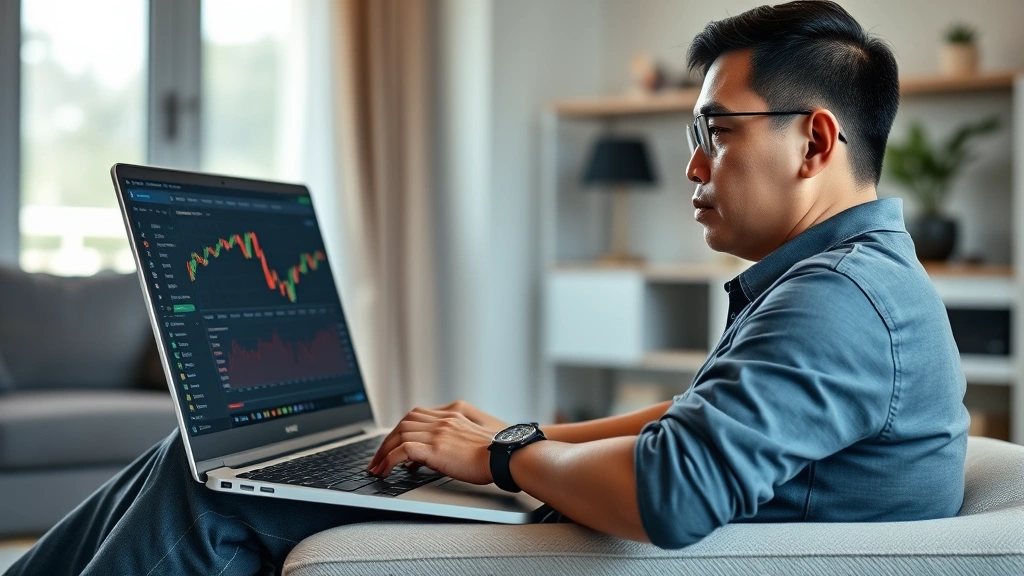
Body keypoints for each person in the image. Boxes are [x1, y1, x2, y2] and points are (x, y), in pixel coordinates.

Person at [6, 1, 969, 574]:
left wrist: (501, 457)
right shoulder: (842, 282)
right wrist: (513, 437)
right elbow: (692, 418)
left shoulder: (841, 301)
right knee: (207, 456)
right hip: (608, 534)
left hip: (622, 555)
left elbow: (674, 487)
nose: (693, 166)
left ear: (814, 140)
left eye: (715, 132)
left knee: (216, 491)